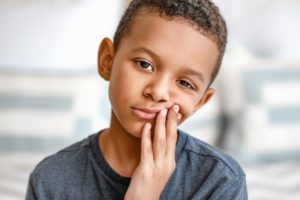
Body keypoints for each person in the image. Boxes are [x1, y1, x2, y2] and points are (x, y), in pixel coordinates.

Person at [26, 0, 248, 199]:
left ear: (200, 102)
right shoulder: (50, 180)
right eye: (144, 64)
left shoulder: (220, 181)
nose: (159, 92)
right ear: (107, 61)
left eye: (185, 83)